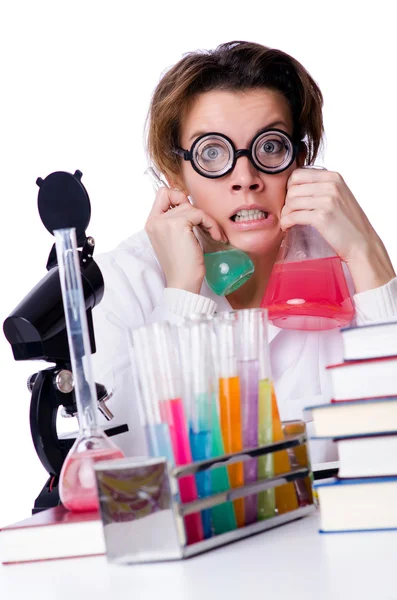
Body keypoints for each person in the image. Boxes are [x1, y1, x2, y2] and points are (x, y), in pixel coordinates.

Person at [91, 41, 397, 462]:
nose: (246, 177)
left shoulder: (346, 266)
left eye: (270, 147)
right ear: (174, 173)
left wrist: (369, 257)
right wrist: (182, 295)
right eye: (212, 153)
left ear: (300, 159)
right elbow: (127, 474)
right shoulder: (120, 285)